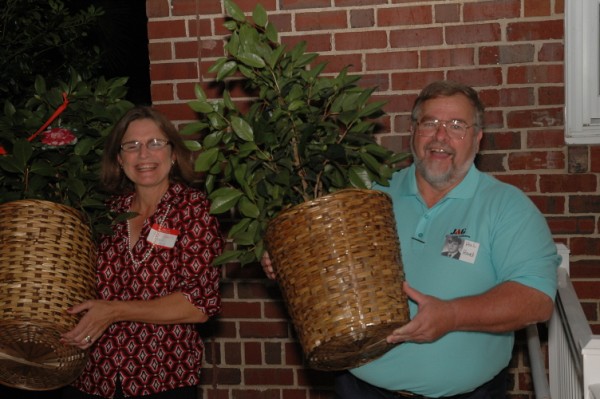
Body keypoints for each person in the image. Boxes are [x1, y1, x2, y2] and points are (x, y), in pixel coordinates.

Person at [262, 80, 560, 399]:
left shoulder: (506, 206)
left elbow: (536, 300)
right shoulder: (370, 193)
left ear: (478, 138)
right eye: (430, 123)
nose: (440, 137)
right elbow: (328, 265)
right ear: (413, 131)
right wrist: (291, 260)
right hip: (361, 390)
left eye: (457, 125)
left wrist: (452, 315)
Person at [60, 106, 224, 399]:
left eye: (155, 143)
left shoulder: (194, 210)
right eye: (132, 146)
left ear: (173, 154)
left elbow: (198, 306)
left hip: (163, 377)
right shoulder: (106, 214)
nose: (144, 154)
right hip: (95, 377)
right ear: (120, 159)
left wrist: (114, 311)